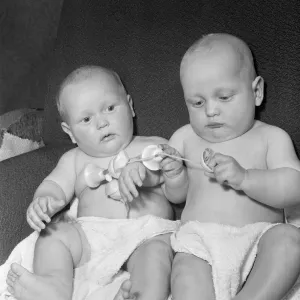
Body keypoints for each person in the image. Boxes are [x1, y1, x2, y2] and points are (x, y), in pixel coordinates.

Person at [119, 33, 300, 300]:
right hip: (199, 245)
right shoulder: (184, 138)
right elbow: (176, 195)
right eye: (198, 102)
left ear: (256, 91)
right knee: (185, 270)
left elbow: (294, 187)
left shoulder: (270, 138)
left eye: (224, 97)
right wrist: (164, 173)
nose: (211, 110)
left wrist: (245, 179)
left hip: (259, 241)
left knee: (290, 241)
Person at [5, 65, 178, 300]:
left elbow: (177, 186)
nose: (101, 123)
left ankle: (144, 294)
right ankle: (54, 285)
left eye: (109, 108)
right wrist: (44, 200)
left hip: (145, 232)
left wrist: (149, 172)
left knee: (156, 255)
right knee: (54, 233)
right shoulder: (74, 160)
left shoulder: (152, 144)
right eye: (86, 119)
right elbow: (54, 185)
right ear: (71, 132)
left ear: (130, 106)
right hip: (90, 238)